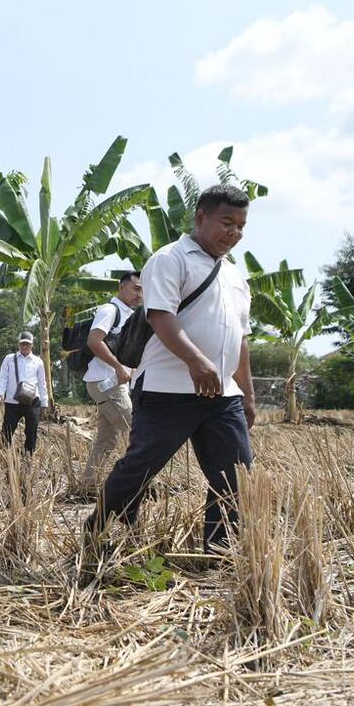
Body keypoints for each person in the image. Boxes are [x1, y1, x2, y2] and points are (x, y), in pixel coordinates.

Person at [83, 184, 256, 564]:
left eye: (241, 226)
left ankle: (218, 552)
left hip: (223, 396)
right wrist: (196, 361)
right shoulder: (170, 259)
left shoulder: (235, 277)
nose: (234, 233)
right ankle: (98, 528)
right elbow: (160, 316)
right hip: (167, 391)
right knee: (140, 469)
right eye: (227, 222)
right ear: (200, 217)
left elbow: (241, 338)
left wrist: (247, 392)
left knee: (236, 477)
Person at [80, 271, 143, 491]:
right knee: (135, 431)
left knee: (107, 439)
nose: (139, 294)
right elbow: (94, 341)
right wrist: (117, 367)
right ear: (121, 287)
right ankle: (132, 486)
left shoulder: (131, 314)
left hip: (110, 383)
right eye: (136, 288)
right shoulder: (110, 310)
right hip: (105, 381)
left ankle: (88, 486)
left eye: (142, 290)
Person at [0, 332, 49, 454]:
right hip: (12, 401)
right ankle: (6, 453)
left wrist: (44, 402)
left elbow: (42, 383)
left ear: (32, 345)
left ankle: (29, 454)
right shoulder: (9, 359)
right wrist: (1, 392)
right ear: (19, 344)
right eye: (22, 344)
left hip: (32, 401)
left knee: (32, 429)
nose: (25, 346)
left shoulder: (38, 362)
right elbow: (3, 377)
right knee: (7, 429)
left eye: (27, 344)